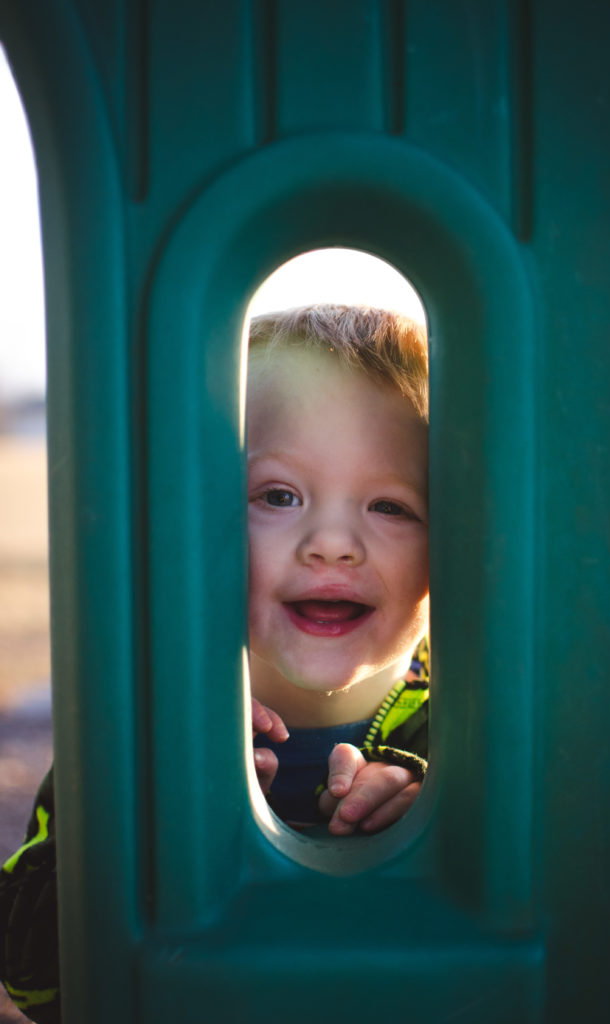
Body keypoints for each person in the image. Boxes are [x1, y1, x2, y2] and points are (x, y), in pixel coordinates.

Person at [0, 304, 430, 1022]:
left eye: (389, 505)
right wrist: (136, 820)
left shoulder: (472, 736)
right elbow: (40, 985)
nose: (332, 542)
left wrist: (435, 821)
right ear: (193, 518)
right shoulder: (139, 723)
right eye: (278, 496)